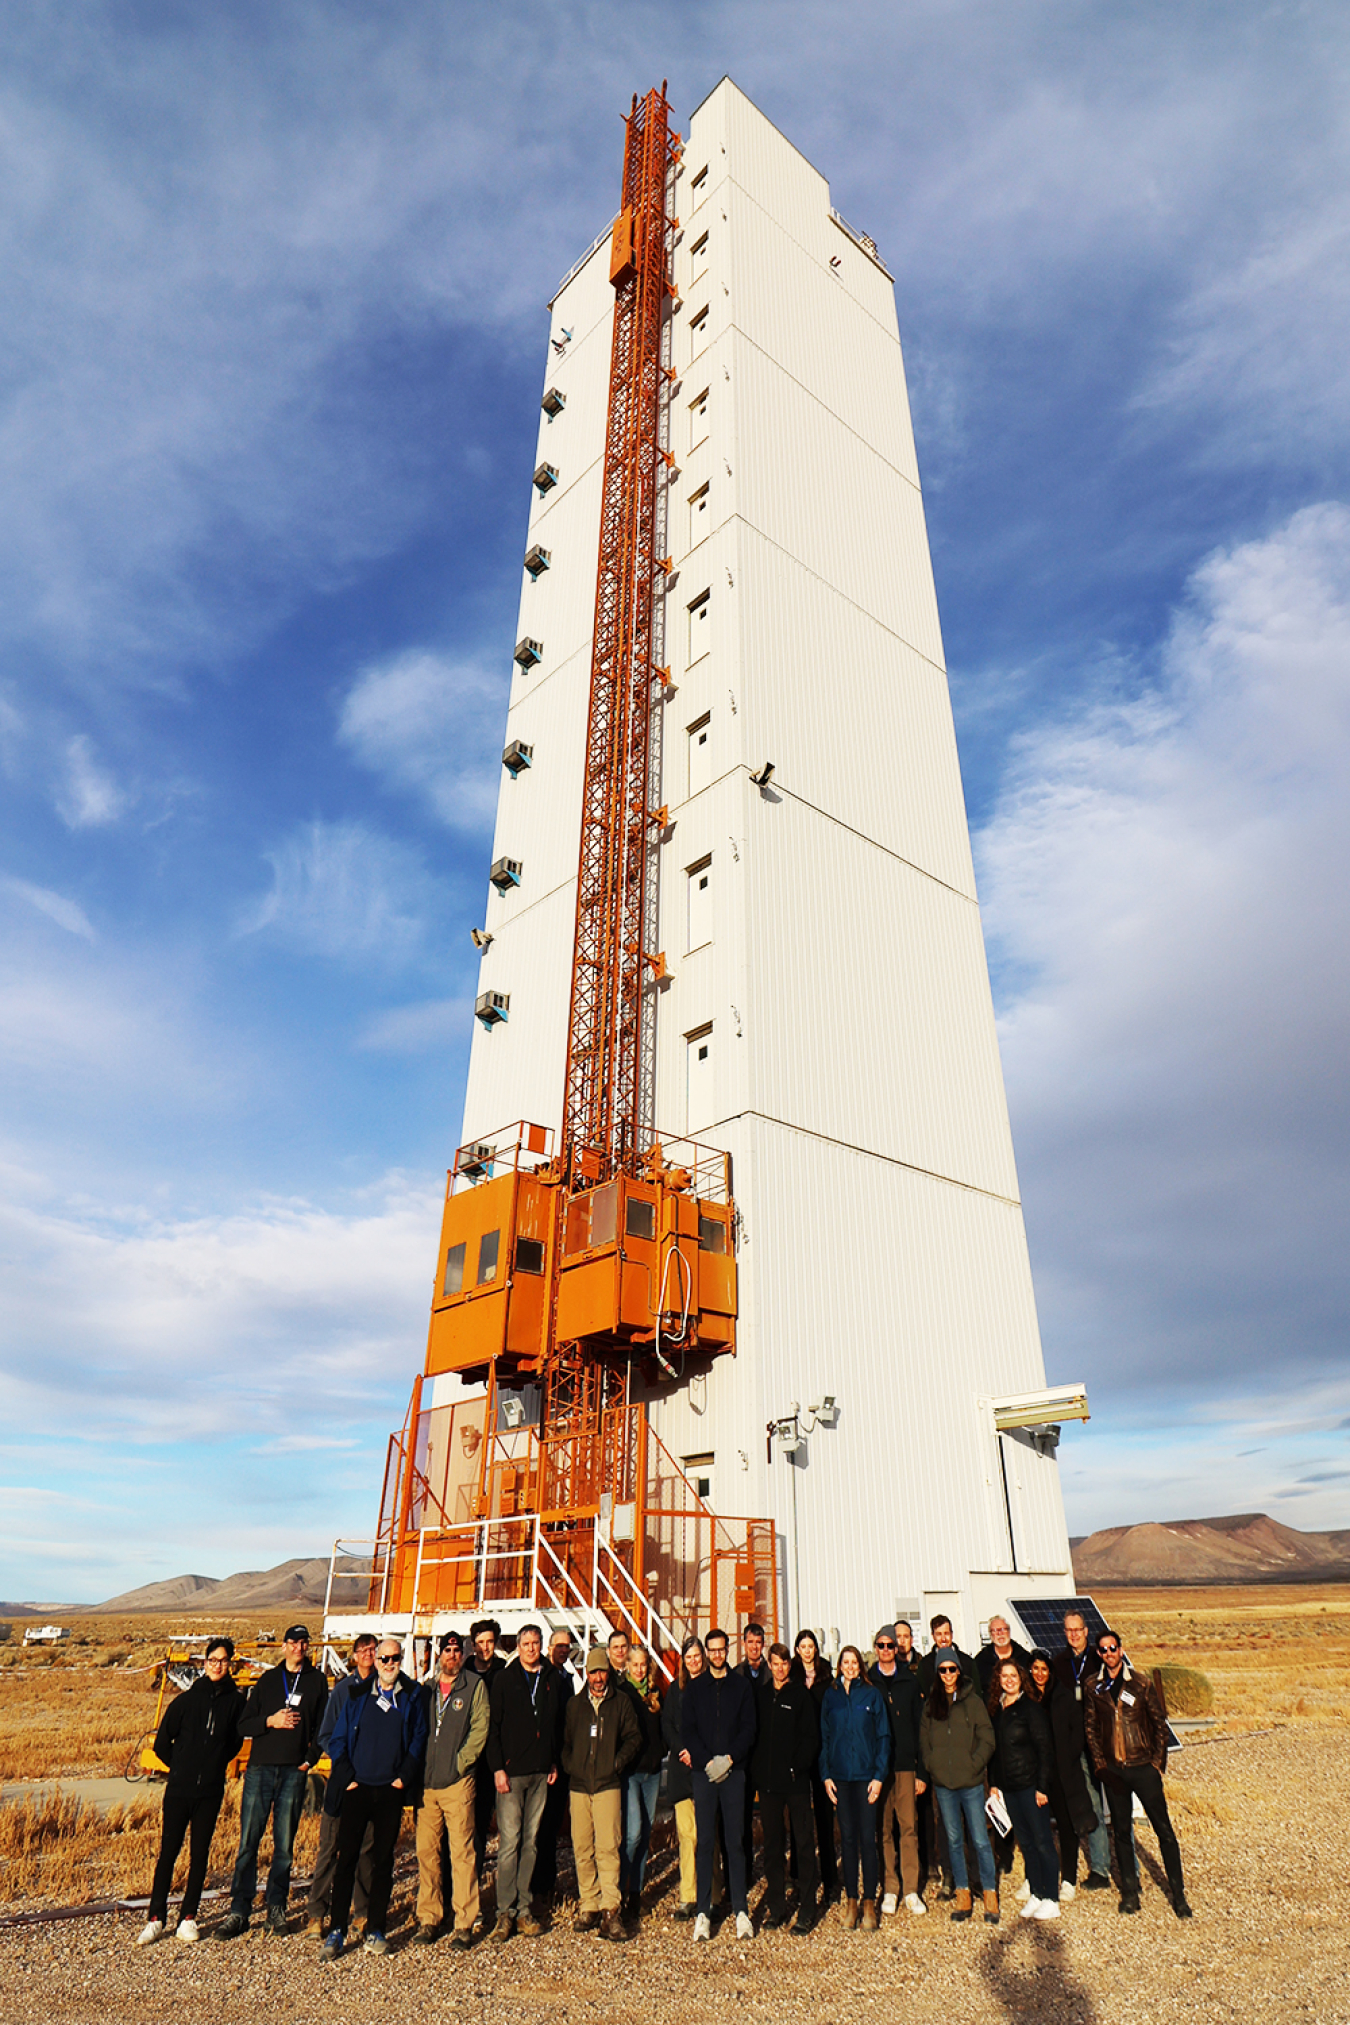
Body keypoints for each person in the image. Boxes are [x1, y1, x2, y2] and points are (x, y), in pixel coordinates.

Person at [321, 1636, 428, 1959]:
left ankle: (375, 1928)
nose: (389, 1664)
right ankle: (337, 1929)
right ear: (375, 1660)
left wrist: (403, 1777)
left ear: (401, 1660)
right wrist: (347, 1776)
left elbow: (419, 1738)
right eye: (384, 1659)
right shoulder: (356, 1696)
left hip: (390, 1789)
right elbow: (337, 1738)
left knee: (383, 1862)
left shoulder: (412, 1695)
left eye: (394, 1658)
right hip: (358, 1787)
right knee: (347, 1859)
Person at [220, 1623, 328, 1937]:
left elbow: (322, 1726)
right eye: (293, 1642)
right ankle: (239, 1911)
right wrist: (271, 1720)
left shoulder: (317, 1682)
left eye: (303, 1643)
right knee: (248, 1844)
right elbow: (244, 1725)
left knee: (284, 1846)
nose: (298, 1647)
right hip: (260, 1770)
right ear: (284, 1646)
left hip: (294, 1772)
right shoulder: (267, 1681)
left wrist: (310, 1760)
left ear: (308, 1647)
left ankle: (276, 1909)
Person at [136, 1637, 243, 1945]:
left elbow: (234, 1743)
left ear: (229, 1664)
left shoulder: (236, 1703)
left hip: (210, 1792)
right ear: (204, 1663)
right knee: (168, 1853)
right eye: (213, 1660)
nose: (217, 1665)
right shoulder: (185, 1701)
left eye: (223, 1661)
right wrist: (181, 1768)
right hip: (179, 1791)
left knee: (199, 1855)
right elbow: (161, 1743)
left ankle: (188, 1918)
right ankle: (155, 1919)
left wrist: (212, 1765)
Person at [1086, 1630, 1191, 1918]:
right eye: (1104, 1650)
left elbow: (1159, 1725)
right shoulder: (1093, 1687)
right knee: (1121, 1833)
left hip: (1143, 1767)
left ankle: (1178, 1895)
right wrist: (1100, 1766)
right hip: (1115, 1772)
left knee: (1164, 1832)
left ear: (1121, 1650)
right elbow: (1091, 1730)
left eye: (1113, 1648)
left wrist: (1157, 1765)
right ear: (1099, 1654)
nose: (1109, 1653)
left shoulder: (1141, 1683)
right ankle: (1130, 1894)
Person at [486, 1623, 569, 1941]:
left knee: (531, 1844)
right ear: (517, 1647)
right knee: (509, 1845)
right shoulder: (505, 1680)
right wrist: (498, 1768)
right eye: (526, 1644)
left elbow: (555, 1725)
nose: (531, 1648)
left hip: (540, 1773)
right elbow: (494, 1727)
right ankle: (504, 1912)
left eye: (536, 1643)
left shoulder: (550, 1680)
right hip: (511, 1773)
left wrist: (551, 1761)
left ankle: (524, 1910)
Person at [414, 1630, 489, 1946]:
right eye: (447, 1650)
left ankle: (464, 1922)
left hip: (457, 1783)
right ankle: (429, 1918)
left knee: (462, 1854)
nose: (452, 1655)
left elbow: (480, 1728)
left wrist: (461, 1764)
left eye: (458, 1650)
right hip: (427, 1786)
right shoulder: (427, 1690)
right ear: (439, 1653)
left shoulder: (474, 1686)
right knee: (427, 1853)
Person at [683, 1625, 756, 1942]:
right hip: (704, 1774)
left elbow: (749, 1728)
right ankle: (703, 1913)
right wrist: (706, 1761)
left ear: (728, 1650)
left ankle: (741, 1910)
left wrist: (730, 1759)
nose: (715, 1654)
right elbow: (689, 1729)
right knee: (705, 1843)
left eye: (720, 1649)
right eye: (710, 1649)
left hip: (733, 1773)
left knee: (735, 1841)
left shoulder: (740, 1686)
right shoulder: (694, 1689)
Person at [563, 1648, 642, 1940]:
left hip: (608, 1784)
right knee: (583, 1847)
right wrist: (572, 1765)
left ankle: (611, 1910)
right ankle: (589, 1904)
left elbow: (634, 1737)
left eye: (602, 1672)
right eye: (593, 1672)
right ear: (587, 1673)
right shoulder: (575, 1706)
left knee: (608, 1848)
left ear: (608, 1673)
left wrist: (617, 1762)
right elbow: (566, 1742)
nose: (598, 1678)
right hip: (580, 1786)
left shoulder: (620, 1703)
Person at [305, 1632, 378, 1937]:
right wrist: (344, 1766)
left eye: (373, 1650)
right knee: (329, 1848)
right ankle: (317, 1914)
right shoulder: (342, 1692)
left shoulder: (387, 1688)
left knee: (365, 1849)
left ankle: (362, 1912)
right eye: (363, 1650)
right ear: (354, 1655)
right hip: (342, 1782)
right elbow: (326, 1735)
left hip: (372, 1781)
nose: (368, 1655)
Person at [919, 1652, 999, 1925]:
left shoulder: (973, 1702)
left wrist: (974, 1765)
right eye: (943, 1670)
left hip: (972, 1783)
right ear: (938, 1674)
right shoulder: (932, 1705)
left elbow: (987, 1739)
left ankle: (989, 1892)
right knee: (953, 1841)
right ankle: (963, 1892)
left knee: (979, 1839)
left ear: (959, 1671)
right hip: (944, 1785)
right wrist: (934, 1767)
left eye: (952, 1669)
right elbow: (925, 1741)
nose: (948, 1675)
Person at [820, 1644, 889, 1931]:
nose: (850, 1667)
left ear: (860, 1666)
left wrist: (878, 1776)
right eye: (845, 1662)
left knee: (867, 1840)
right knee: (847, 1840)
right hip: (841, 1778)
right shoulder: (831, 1696)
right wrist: (826, 1775)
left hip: (865, 1778)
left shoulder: (871, 1695)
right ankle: (851, 1900)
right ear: (839, 1666)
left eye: (854, 1662)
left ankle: (870, 1902)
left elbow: (884, 1737)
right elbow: (824, 1738)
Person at [752, 1642, 820, 1935]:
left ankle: (807, 1909)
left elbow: (811, 1739)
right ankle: (777, 1907)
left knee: (803, 1845)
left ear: (788, 1666)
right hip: (768, 1786)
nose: (779, 1668)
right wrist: (757, 1773)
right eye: (774, 1663)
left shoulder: (800, 1696)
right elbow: (754, 1735)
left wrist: (797, 1767)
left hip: (796, 1784)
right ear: (769, 1665)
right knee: (773, 1847)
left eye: (783, 1664)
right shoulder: (761, 1696)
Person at [987, 1659, 1060, 1920]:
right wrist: (995, 1783)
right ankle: (1037, 1893)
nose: (1008, 1680)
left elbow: (1045, 1749)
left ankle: (1052, 1897)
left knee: (1042, 1842)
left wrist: (1042, 1787)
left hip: (1031, 1787)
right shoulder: (997, 1710)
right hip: (1009, 1789)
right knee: (1027, 1843)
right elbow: (996, 1752)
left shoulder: (1031, 1709)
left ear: (1021, 1678)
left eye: (1013, 1675)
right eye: (1003, 1676)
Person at [1027, 1649, 1098, 1902]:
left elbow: (1077, 1732)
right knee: (1037, 1828)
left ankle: (1068, 1879)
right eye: (1034, 1669)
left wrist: (1067, 1756)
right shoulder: (1027, 1699)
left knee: (1067, 1827)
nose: (1039, 1674)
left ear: (1050, 1671)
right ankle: (1034, 1877)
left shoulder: (1063, 1697)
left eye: (1043, 1669)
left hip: (1061, 1773)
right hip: (1035, 1774)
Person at [1050, 1610, 1113, 1888]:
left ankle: (1127, 1867)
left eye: (1078, 1630)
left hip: (1103, 1743)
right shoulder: (1058, 1663)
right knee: (1092, 1805)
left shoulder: (1099, 1659)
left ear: (1086, 1631)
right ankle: (1099, 1868)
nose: (1074, 1634)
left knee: (1117, 1807)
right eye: (1068, 1630)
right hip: (1076, 1746)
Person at [868, 1626, 927, 1917]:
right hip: (879, 1769)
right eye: (881, 1645)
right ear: (875, 1647)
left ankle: (911, 1889)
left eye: (890, 1645)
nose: (886, 1650)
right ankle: (890, 1887)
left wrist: (921, 1772)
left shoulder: (910, 1681)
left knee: (908, 1828)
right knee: (883, 1830)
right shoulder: (869, 1682)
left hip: (905, 1766)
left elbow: (921, 1728)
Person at [531, 1629, 582, 1910]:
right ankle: (537, 1886)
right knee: (538, 1827)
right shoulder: (545, 1678)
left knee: (550, 1825)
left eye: (567, 1646)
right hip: (544, 1762)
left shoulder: (567, 1679)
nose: (563, 1650)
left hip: (561, 1762)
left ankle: (547, 1885)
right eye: (559, 1645)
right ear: (549, 1648)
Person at [789, 1631, 838, 1904]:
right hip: (799, 1756)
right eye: (803, 1646)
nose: (807, 1651)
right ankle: (798, 1876)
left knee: (824, 1819)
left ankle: (830, 1878)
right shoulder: (793, 1678)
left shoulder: (826, 1679)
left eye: (811, 1646)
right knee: (799, 1820)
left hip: (821, 1756)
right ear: (797, 1649)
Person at [619, 1646, 665, 1923]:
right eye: (634, 1665)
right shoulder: (623, 1693)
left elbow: (664, 1726)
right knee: (633, 1833)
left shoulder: (656, 1694)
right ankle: (622, 1890)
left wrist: (663, 1750)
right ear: (627, 1666)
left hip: (653, 1771)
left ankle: (636, 1892)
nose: (639, 1669)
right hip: (631, 1772)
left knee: (646, 1833)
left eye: (643, 1665)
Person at [661, 1636, 704, 1920]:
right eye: (689, 1657)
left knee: (707, 1835)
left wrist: (698, 1753)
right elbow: (667, 1727)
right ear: (683, 1661)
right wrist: (682, 1751)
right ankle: (688, 1896)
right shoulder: (675, 1691)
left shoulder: (713, 1687)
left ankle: (711, 1893)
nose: (694, 1661)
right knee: (687, 1835)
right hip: (681, 1770)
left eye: (697, 1656)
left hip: (704, 1769)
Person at [466, 1619, 507, 1903]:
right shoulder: (464, 1670)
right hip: (472, 1760)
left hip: (499, 1758)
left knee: (508, 1826)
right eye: (480, 1642)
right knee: (474, 1826)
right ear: (473, 1644)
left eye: (490, 1642)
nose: (485, 1648)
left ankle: (506, 1892)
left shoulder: (504, 1672)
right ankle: (471, 1888)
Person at [915, 1616, 980, 1693]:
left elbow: (977, 1693)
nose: (943, 1639)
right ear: (933, 1636)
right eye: (939, 1634)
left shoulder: (967, 1662)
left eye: (946, 1633)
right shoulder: (925, 1665)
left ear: (952, 1634)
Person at [976, 1615, 1032, 1694]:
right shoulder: (981, 1660)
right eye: (995, 1630)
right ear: (990, 1634)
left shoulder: (1025, 1658)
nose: (1000, 1633)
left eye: (1003, 1629)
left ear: (1009, 1631)